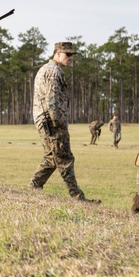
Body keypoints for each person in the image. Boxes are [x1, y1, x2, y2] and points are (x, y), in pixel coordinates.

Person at [28, 42, 99, 203]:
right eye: (67, 54)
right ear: (57, 54)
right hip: (51, 121)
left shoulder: (45, 68)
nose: (70, 58)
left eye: (72, 55)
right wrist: (58, 122)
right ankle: (77, 197)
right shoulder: (54, 71)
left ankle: (34, 185)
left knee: (51, 157)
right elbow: (51, 99)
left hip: (44, 120)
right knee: (65, 158)